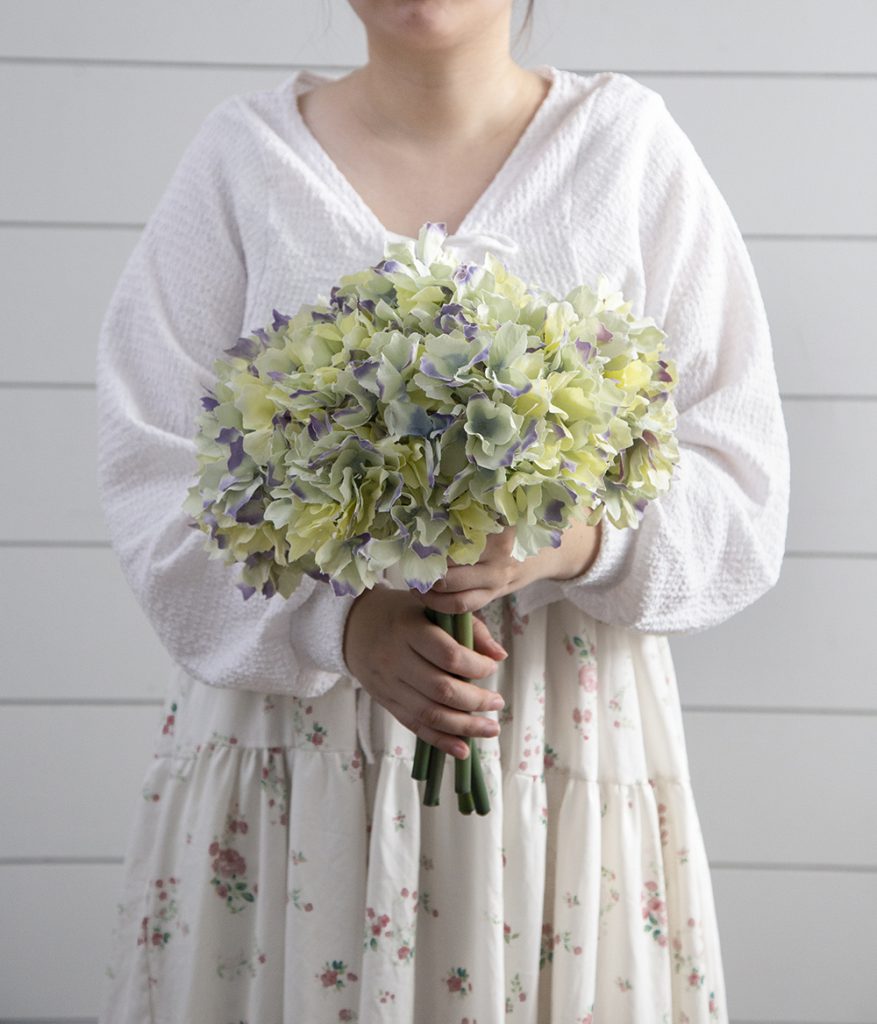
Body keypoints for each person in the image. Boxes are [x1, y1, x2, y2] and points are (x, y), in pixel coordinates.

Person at [95, 1, 790, 1021]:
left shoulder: (625, 150)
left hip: (555, 754)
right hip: (302, 760)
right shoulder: (242, 161)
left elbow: (741, 483)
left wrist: (567, 541)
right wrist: (336, 624)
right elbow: (152, 474)